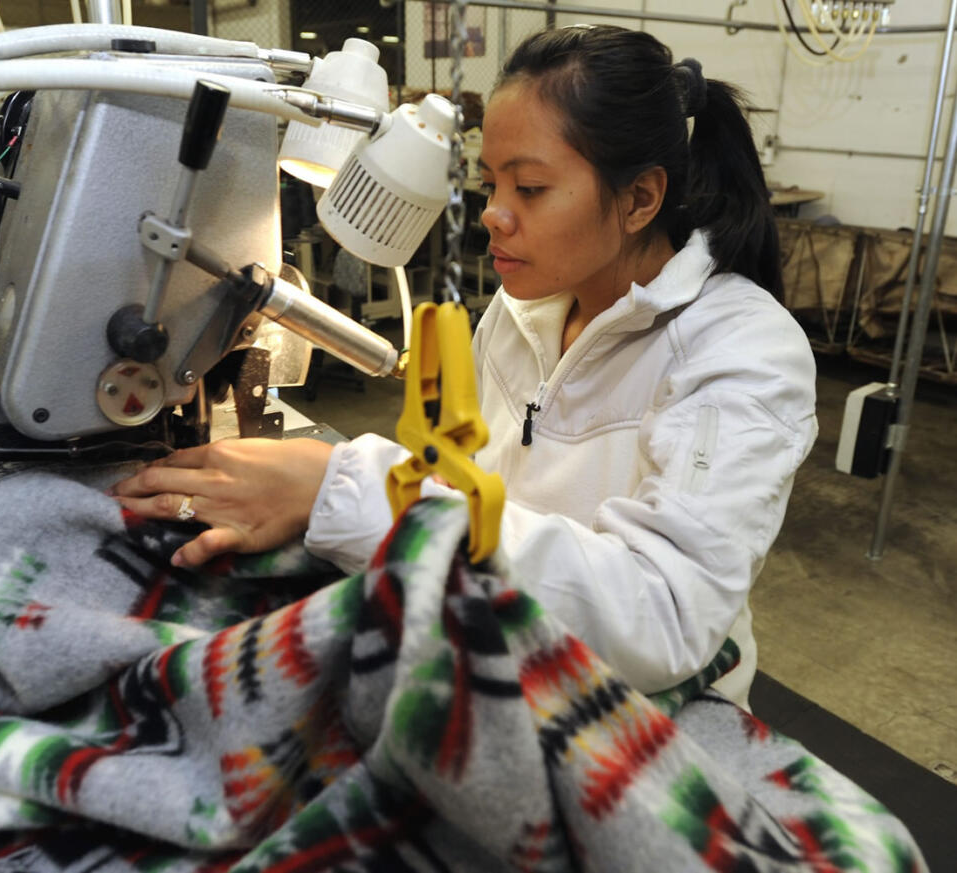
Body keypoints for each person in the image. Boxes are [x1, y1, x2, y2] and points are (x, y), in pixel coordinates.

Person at [110, 24, 818, 710]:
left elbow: (662, 616)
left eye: (530, 189)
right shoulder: (520, 311)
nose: (494, 215)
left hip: (645, 705)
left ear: (639, 198)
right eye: (489, 184)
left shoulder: (742, 352)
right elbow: (455, 475)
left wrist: (350, 492)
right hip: (493, 642)